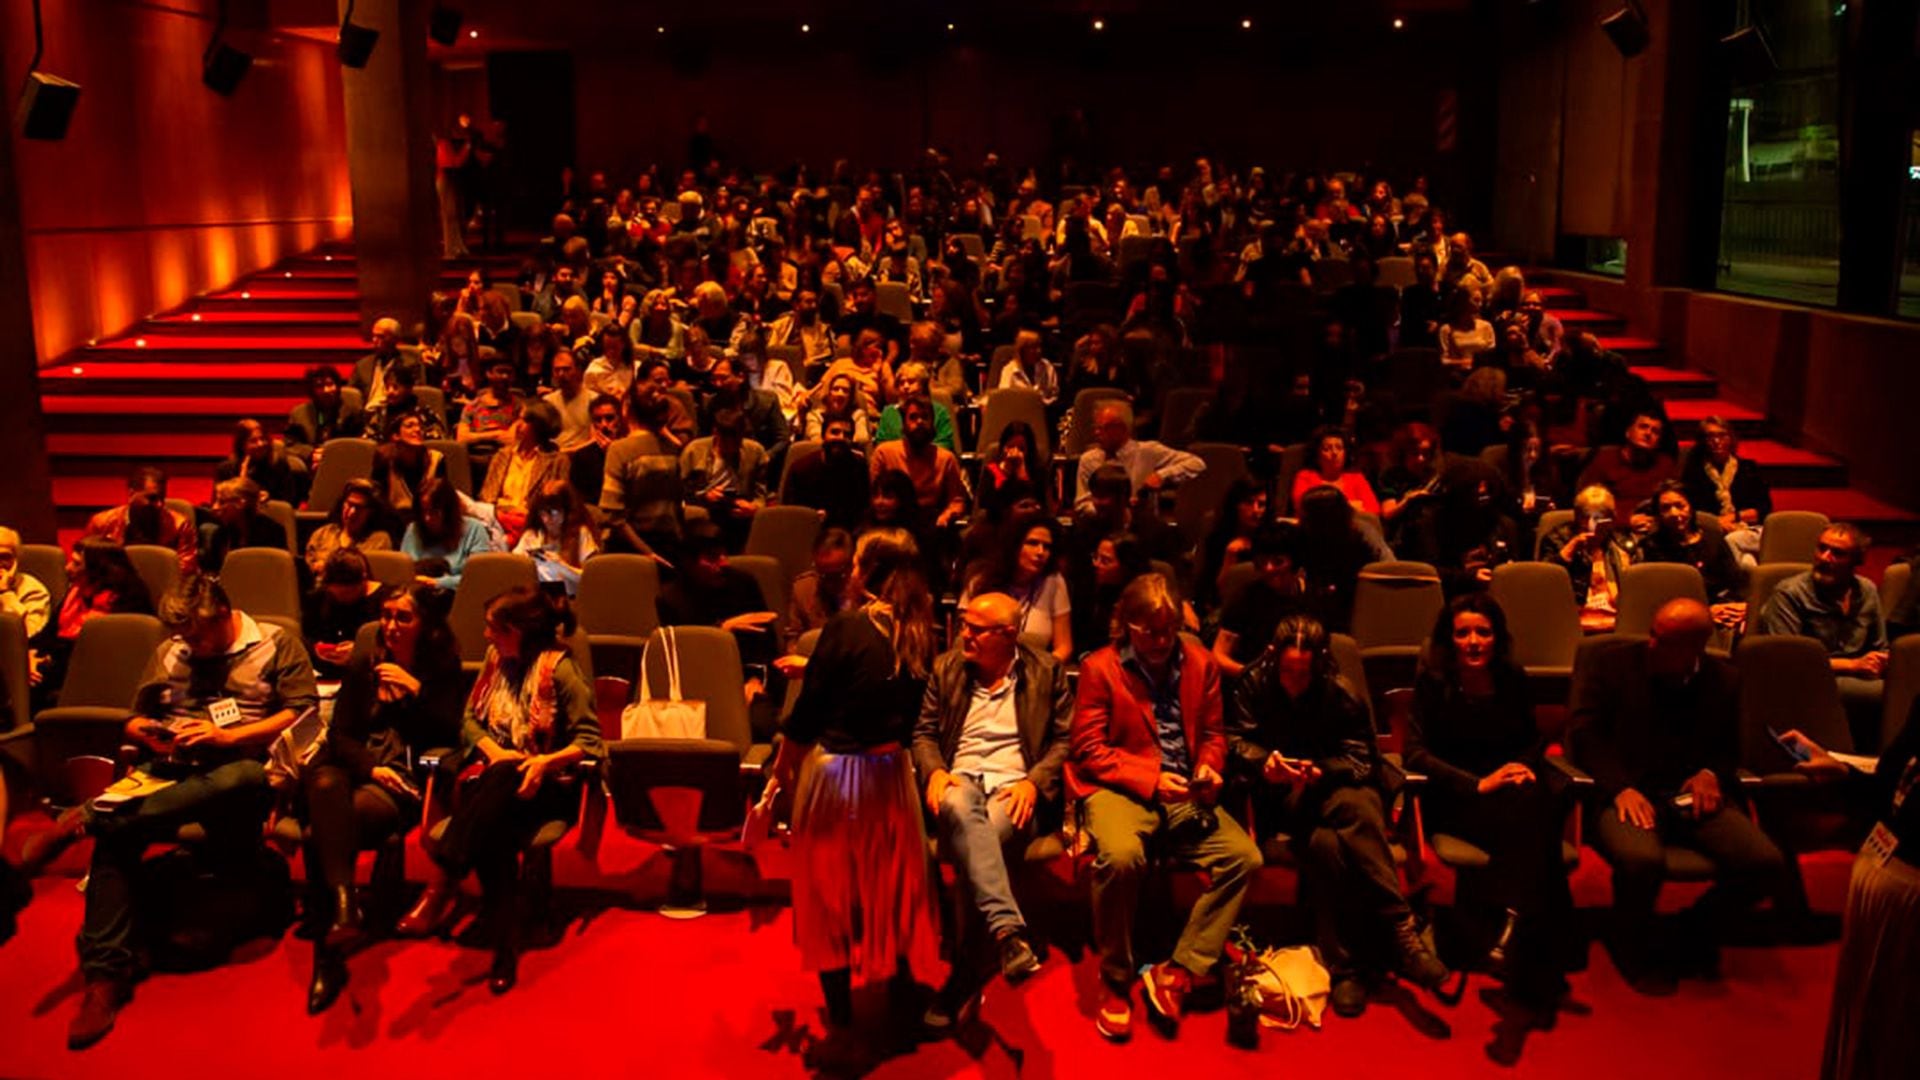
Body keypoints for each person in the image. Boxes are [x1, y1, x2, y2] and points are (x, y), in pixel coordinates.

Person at [63, 574, 317, 1049]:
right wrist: (148, 732)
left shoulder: (277, 643)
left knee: (242, 778)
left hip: (240, 769)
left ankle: (90, 817)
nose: (189, 646)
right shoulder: (171, 650)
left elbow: (302, 713)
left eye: (197, 636)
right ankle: (104, 978)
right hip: (171, 768)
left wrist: (228, 737)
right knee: (119, 839)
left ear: (224, 615)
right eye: (182, 637)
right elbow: (136, 716)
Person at [1230, 613, 1452, 1017]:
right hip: (1279, 800)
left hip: (1332, 790)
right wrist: (1265, 764)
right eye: (1288, 671)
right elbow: (1235, 743)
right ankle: (1403, 931)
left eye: (1304, 672)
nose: (1295, 681)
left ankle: (1344, 968)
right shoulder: (1253, 683)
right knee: (1355, 807)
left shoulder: (1340, 691)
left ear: (1320, 664)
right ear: (1272, 658)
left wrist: (1320, 771)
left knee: (1328, 843)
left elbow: (1362, 761)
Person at [1070, 573, 1260, 1041]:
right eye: (1148, 631)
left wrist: (1210, 767)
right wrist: (1151, 780)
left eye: (1167, 630)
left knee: (1244, 858)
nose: (1158, 641)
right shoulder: (1100, 668)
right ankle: (1116, 979)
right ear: (1126, 625)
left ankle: (1178, 967)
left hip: (1185, 788)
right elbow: (1089, 751)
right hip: (1122, 788)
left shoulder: (1200, 662)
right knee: (1119, 857)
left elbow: (1215, 736)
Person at [1569, 598, 1791, 995]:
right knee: (1642, 860)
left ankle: (1690, 930)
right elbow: (1586, 738)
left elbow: (1728, 749)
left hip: (1690, 794)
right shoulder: (1613, 666)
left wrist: (1710, 774)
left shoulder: (1725, 681)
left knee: (1766, 864)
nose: (1650, 643)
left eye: (1663, 640)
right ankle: (1632, 940)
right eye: (1653, 632)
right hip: (1627, 791)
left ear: (1694, 649)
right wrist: (1620, 788)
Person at [772, 530, 940, 1032]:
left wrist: (783, 768)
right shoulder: (918, 630)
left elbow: (808, 715)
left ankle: (842, 1021)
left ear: (864, 572)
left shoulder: (846, 627)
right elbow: (875, 683)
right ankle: (898, 1002)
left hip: (838, 778)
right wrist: (818, 665)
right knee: (888, 890)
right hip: (890, 778)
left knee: (830, 897)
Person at [395, 587, 601, 994]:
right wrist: (493, 750)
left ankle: (446, 875)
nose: (485, 637)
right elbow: (470, 720)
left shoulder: (559, 669)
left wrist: (542, 761)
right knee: (497, 835)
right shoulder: (495, 661)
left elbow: (592, 741)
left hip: (544, 786)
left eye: (492, 629)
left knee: (505, 781)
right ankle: (505, 950)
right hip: (492, 781)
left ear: (516, 631)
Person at [913, 592, 1074, 1030]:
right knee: (964, 810)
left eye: (975, 629)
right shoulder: (947, 668)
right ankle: (1008, 933)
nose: (963, 633)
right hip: (958, 783)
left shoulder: (1046, 671)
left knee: (972, 847)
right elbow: (924, 734)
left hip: (1012, 790)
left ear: (1007, 635)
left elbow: (1063, 741)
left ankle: (966, 970)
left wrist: (1033, 782)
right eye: (964, 624)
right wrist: (933, 771)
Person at [302, 583, 463, 1014]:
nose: (390, 626)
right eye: (386, 615)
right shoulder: (365, 663)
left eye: (402, 618)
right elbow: (340, 735)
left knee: (323, 831)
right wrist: (371, 767)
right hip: (361, 770)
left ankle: (329, 955)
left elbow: (453, 734)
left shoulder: (442, 668)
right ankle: (344, 905)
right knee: (323, 785)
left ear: (425, 625)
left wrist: (417, 690)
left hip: (405, 780)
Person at [1408, 595, 1574, 1007]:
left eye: (1483, 632)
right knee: (1537, 825)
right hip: (1453, 797)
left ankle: (1513, 930)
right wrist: (1477, 784)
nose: (1474, 641)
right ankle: (1526, 938)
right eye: (1463, 633)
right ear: (1449, 640)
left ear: (1498, 638)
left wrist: (1519, 766)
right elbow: (1414, 754)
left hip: (1507, 794)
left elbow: (1532, 741)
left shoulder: (1512, 677)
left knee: (1539, 799)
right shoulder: (1433, 681)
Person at [1780, 698, 1920, 1080]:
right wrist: (1843, 771)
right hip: (1884, 879)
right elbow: (1893, 786)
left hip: (1910, 897)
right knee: (1873, 1029)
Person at [1757, 523, 1889, 749]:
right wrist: (1852, 665)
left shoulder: (1867, 590)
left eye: (1838, 553)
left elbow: (1880, 645)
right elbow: (1788, 662)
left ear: (1856, 561)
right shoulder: (1790, 594)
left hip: (1860, 675)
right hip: (1811, 680)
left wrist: (1881, 660)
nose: (1825, 558)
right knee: (1885, 695)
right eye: (1822, 548)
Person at [1402, 459, 1525, 598]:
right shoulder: (1430, 523)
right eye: (1474, 488)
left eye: (1487, 487)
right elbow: (1425, 570)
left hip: (1496, 596)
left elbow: (1515, 566)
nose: (1482, 490)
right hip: (1446, 597)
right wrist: (1467, 578)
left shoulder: (1504, 525)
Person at [962, 512, 1073, 663]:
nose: (1041, 552)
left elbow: (1064, 647)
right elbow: (963, 640)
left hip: (1036, 676)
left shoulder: (1054, 582)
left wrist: (1043, 672)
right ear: (1014, 545)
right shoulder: (981, 581)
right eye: (1032, 543)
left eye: (1047, 546)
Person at [1641, 481, 1746, 631]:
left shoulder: (1714, 539)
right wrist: (1706, 612)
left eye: (1680, 506)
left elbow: (1736, 581)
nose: (1674, 513)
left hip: (1723, 609)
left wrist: (1737, 607)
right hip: (1680, 618)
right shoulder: (1652, 546)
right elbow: (1661, 596)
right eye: (1666, 508)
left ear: (1690, 507)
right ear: (1658, 514)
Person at [1212, 523, 1308, 678]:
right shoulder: (1245, 598)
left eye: (1278, 562)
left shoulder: (1312, 598)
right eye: (1262, 562)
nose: (1268, 568)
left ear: (1295, 562)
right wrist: (1251, 675)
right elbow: (1219, 655)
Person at [1542, 485, 1642, 632]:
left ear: (1611, 519)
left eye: (1598, 517)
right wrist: (1567, 553)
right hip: (1573, 621)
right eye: (1585, 516)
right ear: (1576, 516)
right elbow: (1543, 582)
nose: (1590, 524)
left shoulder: (1624, 543)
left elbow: (1639, 591)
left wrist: (1627, 567)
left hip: (1618, 622)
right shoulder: (1556, 539)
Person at [1073, 401, 1206, 509]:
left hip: (1142, 528)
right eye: (1096, 427)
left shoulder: (1149, 451)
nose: (1096, 433)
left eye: (1103, 428)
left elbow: (1197, 464)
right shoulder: (1089, 459)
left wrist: (1161, 475)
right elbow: (1082, 504)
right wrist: (1111, 508)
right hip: (1099, 525)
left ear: (1122, 428)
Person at [1679, 416, 1772, 568]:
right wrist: (1717, 523)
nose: (1716, 441)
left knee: (1732, 540)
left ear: (1731, 438)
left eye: (1722, 435)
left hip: (1750, 530)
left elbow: (1763, 509)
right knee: (1747, 564)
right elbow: (1692, 509)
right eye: (1710, 436)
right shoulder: (1694, 472)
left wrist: (1733, 517)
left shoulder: (1748, 469)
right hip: (1713, 531)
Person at [868, 396, 968, 532]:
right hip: (891, 524)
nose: (919, 422)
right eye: (913, 417)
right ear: (904, 423)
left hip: (931, 525)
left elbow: (956, 501)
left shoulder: (946, 459)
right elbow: (872, 497)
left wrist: (947, 515)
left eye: (925, 417)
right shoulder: (884, 453)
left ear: (932, 423)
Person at [477, 400, 570, 544]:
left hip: (532, 523)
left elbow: (556, 504)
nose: (517, 425)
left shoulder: (557, 460)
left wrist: (525, 514)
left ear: (539, 426)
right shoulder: (503, 455)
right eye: (517, 419)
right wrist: (505, 514)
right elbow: (487, 496)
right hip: (498, 518)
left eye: (525, 421)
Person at [679, 407, 768, 549]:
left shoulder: (755, 452)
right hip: (704, 509)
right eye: (726, 443)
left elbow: (761, 493)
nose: (731, 449)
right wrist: (704, 496)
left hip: (740, 511)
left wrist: (754, 508)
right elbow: (679, 492)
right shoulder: (694, 450)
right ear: (716, 433)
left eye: (736, 443)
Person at [82, 466, 198, 573]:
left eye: (162, 498)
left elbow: (186, 571)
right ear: (131, 494)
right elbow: (87, 566)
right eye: (152, 498)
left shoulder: (180, 525)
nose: (159, 504)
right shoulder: (101, 523)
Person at [302, 549, 391, 679]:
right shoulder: (320, 597)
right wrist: (317, 649)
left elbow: (395, 648)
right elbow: (307, 636)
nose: (342, 599)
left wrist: (360, 652)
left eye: (348, 593)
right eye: (335, 594)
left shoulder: (386, 600)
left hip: (370, 676)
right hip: (326, 673)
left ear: (364, 579)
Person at [1575, 408, 1678, 521]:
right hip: (1613, 528)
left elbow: (1676, 502)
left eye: (1655, 431)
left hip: (1655, 527)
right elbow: (1586, 504)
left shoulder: (1665, 464)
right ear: (1628, 432)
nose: (1648, 433)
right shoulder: (1604, 459)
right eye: (1643, 427)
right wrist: (1628, 520)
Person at [401, 477, 499, 590]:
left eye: (434, 512)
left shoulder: (474, 530)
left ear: (448, 512)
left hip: (458, 596)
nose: (427, 518)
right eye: (423, 512)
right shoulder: (414, 529)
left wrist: (437, 583)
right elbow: (403, 572)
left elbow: (479, 577)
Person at [1194, 476, 1270, 616]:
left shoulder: (1271, 537)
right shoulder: (1217, 536)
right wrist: (1229, 557)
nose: (1255, 510)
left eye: (1261, 504)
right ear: (1235, 505)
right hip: (1225, 608)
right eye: (1248, 503)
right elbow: (1217, 592)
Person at [782, 414, 869, 532]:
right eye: (835, 432)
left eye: (847, 435)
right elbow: (789, 510)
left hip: (846, 531)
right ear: (823, 435)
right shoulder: (801, 468)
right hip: (806, 529)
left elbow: (863, 508)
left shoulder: (859, 466)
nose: (841, 438)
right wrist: (810, 515)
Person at [513, 480, 600, 596]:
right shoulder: (532, 535)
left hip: (569, 600)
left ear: (567, 511)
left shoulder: (581, 534)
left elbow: (591, 579)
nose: (546, 520)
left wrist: (561, 565)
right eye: (542, 513)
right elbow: (513, 568)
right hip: (535, 599)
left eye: (553, 513)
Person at [370, 411, 447, 536]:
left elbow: (441, 499)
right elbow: (378, 499)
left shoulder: (436, 459)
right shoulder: (385, 460)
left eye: (420, 426)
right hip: (394, 523)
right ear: (396, 436)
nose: (417, 429)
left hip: (428, 522)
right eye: (410, 426)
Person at [783, 526, 858, 650]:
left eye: (836, 575)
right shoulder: (803, 589)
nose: (829, 582)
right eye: (822, 573)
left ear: (852, 565)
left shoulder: (865, 592)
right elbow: (793, 637)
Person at [304, 479, 393, 580]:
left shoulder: (379, 539)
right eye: (349, 504)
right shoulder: (322, 534)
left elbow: (357, 572)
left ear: (371, 512)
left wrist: (326, 567)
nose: (351, 512)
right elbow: (307, 571)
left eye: (359, 508)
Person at [197, 477, 289, 574]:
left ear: (240, 503)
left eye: (222, 502)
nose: (215, 507)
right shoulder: (220, 531)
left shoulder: (273, 532)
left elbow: (277, 573)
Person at [284, 365, 366, 469]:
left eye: (330, 384)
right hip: (313, 462)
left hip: (345, 458)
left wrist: (333, 453)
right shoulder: (299, 414)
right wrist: (311, 453)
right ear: (312, 390)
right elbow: (290, 445)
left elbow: (360, 438)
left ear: (337, 386)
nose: (326, 390)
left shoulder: (351, 408)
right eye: (319, 386)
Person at [1289, 425, 1380, 515]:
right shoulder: (1305, 476)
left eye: (1339, 448)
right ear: (1316, 455)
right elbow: (1302, 507)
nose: (1334, 453)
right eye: (1327, 449)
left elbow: (1374, 510)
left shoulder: (1356, 478)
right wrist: (1349, 507)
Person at [215, 419, 305, 506]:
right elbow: (219, 504)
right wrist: (242, 485)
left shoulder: (278, 465)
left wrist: (269, 498)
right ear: (242, 445)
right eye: (253, 441)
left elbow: (290, 501)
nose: (260, 444)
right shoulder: (226, 469)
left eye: (263, 439)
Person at [873, 361, 958, 453]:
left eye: (911, 382)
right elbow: (881, 444)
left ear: (923, 385)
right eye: (901, 383)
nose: (905, 386)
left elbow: (945, 443)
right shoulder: (888, 412)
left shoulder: (939, 411)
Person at [568, 393, 626, 505]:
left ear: (620, 418)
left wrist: (613, 454)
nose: (604, 425)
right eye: (598, 420)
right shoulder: (582, 457)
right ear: (593, 423)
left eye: (610, 418)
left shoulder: (630, 450)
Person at [351, 318, 416, 414]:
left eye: (381, 337)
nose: (374, 340)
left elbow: (416, 395)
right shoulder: (362, 365)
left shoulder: (409, 365)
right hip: (365, 415)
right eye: (373, 336)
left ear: (395, 339)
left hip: (395, 415)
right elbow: (351, 395)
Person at [0, 526, 52, 642]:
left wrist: (6, 594)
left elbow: (30, 633)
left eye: (3, 557)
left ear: (15, 559)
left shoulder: (33, 591)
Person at [543, 349, 595, 453]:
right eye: (557, 370)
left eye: (566, 369)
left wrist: (568, 451)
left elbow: (596, 439)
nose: (561, 374)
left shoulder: (594, 400)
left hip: (582, 457)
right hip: (552, 458)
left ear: (578, 370)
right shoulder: (547, 402)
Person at [997, 329, 1059, 405]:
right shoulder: (1010, 370)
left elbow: (1054, 394)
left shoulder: (1047, 367)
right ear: (1022, 350)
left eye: (1039, 346)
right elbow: (1004, 398)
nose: (1039, 351)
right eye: (1033, 347)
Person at [1438, 287, 1494, 372]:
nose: (1479, 304)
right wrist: (1466, 362)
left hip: (1483, 374)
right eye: (1475, 300)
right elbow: (1443, 360)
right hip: (1459, 375)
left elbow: (1492, 355)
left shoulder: (1486, 326)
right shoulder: (1447, 329)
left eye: (1480, 300)